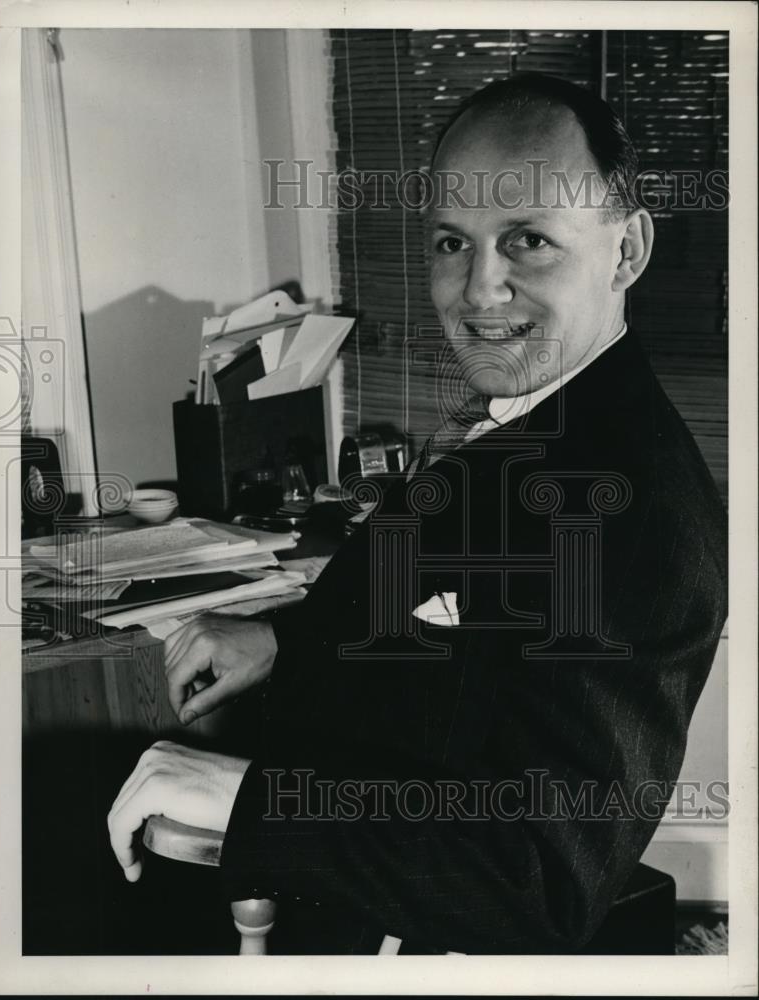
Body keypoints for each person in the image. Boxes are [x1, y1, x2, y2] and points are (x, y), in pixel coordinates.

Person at [108, 74, 727, 954]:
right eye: (451, 242)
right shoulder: (534, 414)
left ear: (626, 251)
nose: (479, 291)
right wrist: (286, 640)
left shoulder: (629, 518)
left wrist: (253, 800)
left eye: (529, 242)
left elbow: (536, 882)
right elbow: (445, 618)